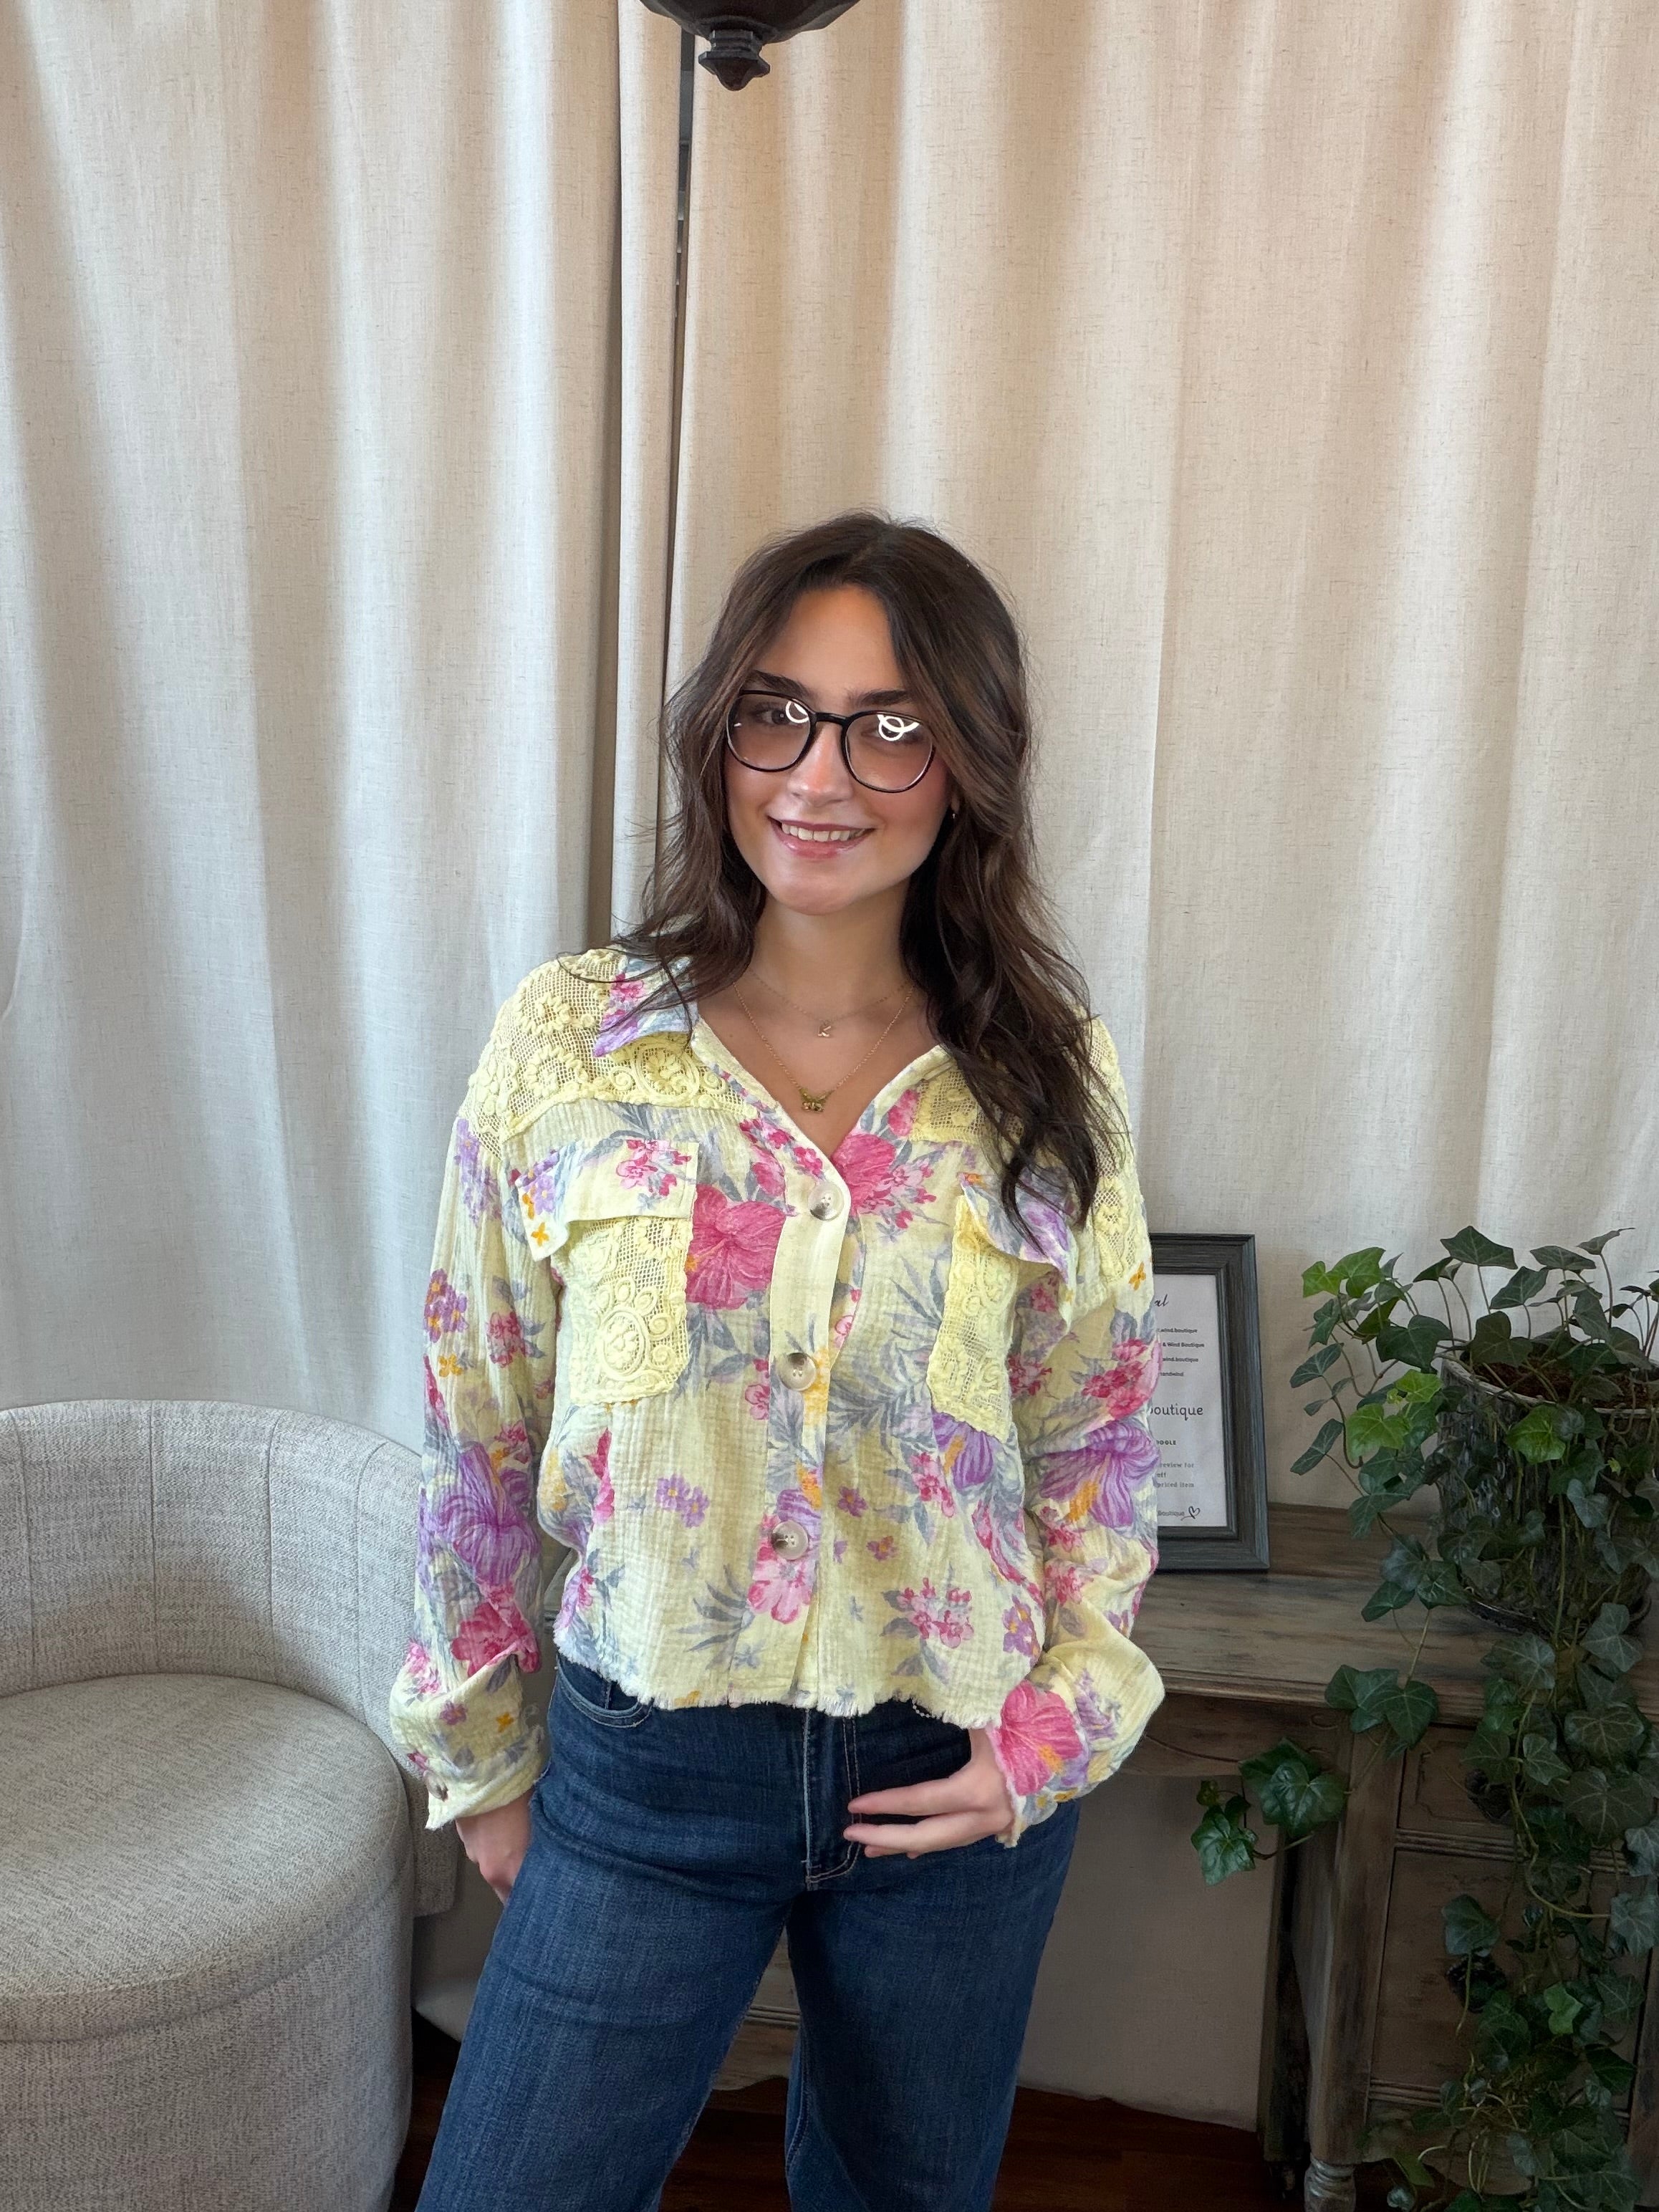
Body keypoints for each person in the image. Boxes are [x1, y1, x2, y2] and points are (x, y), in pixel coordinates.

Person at [391, 509, 1165, 2212]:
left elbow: (1096, 1440)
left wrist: (1055, 1726)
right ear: (719, 734)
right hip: (642, 1755)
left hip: (948, 1768)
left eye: (893, 722)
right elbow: (477, 1415)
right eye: (777, 711)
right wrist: (485, 1760)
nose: (823, 772)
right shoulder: (573, 1043)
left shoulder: (1045, 1073)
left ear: (968, 759)